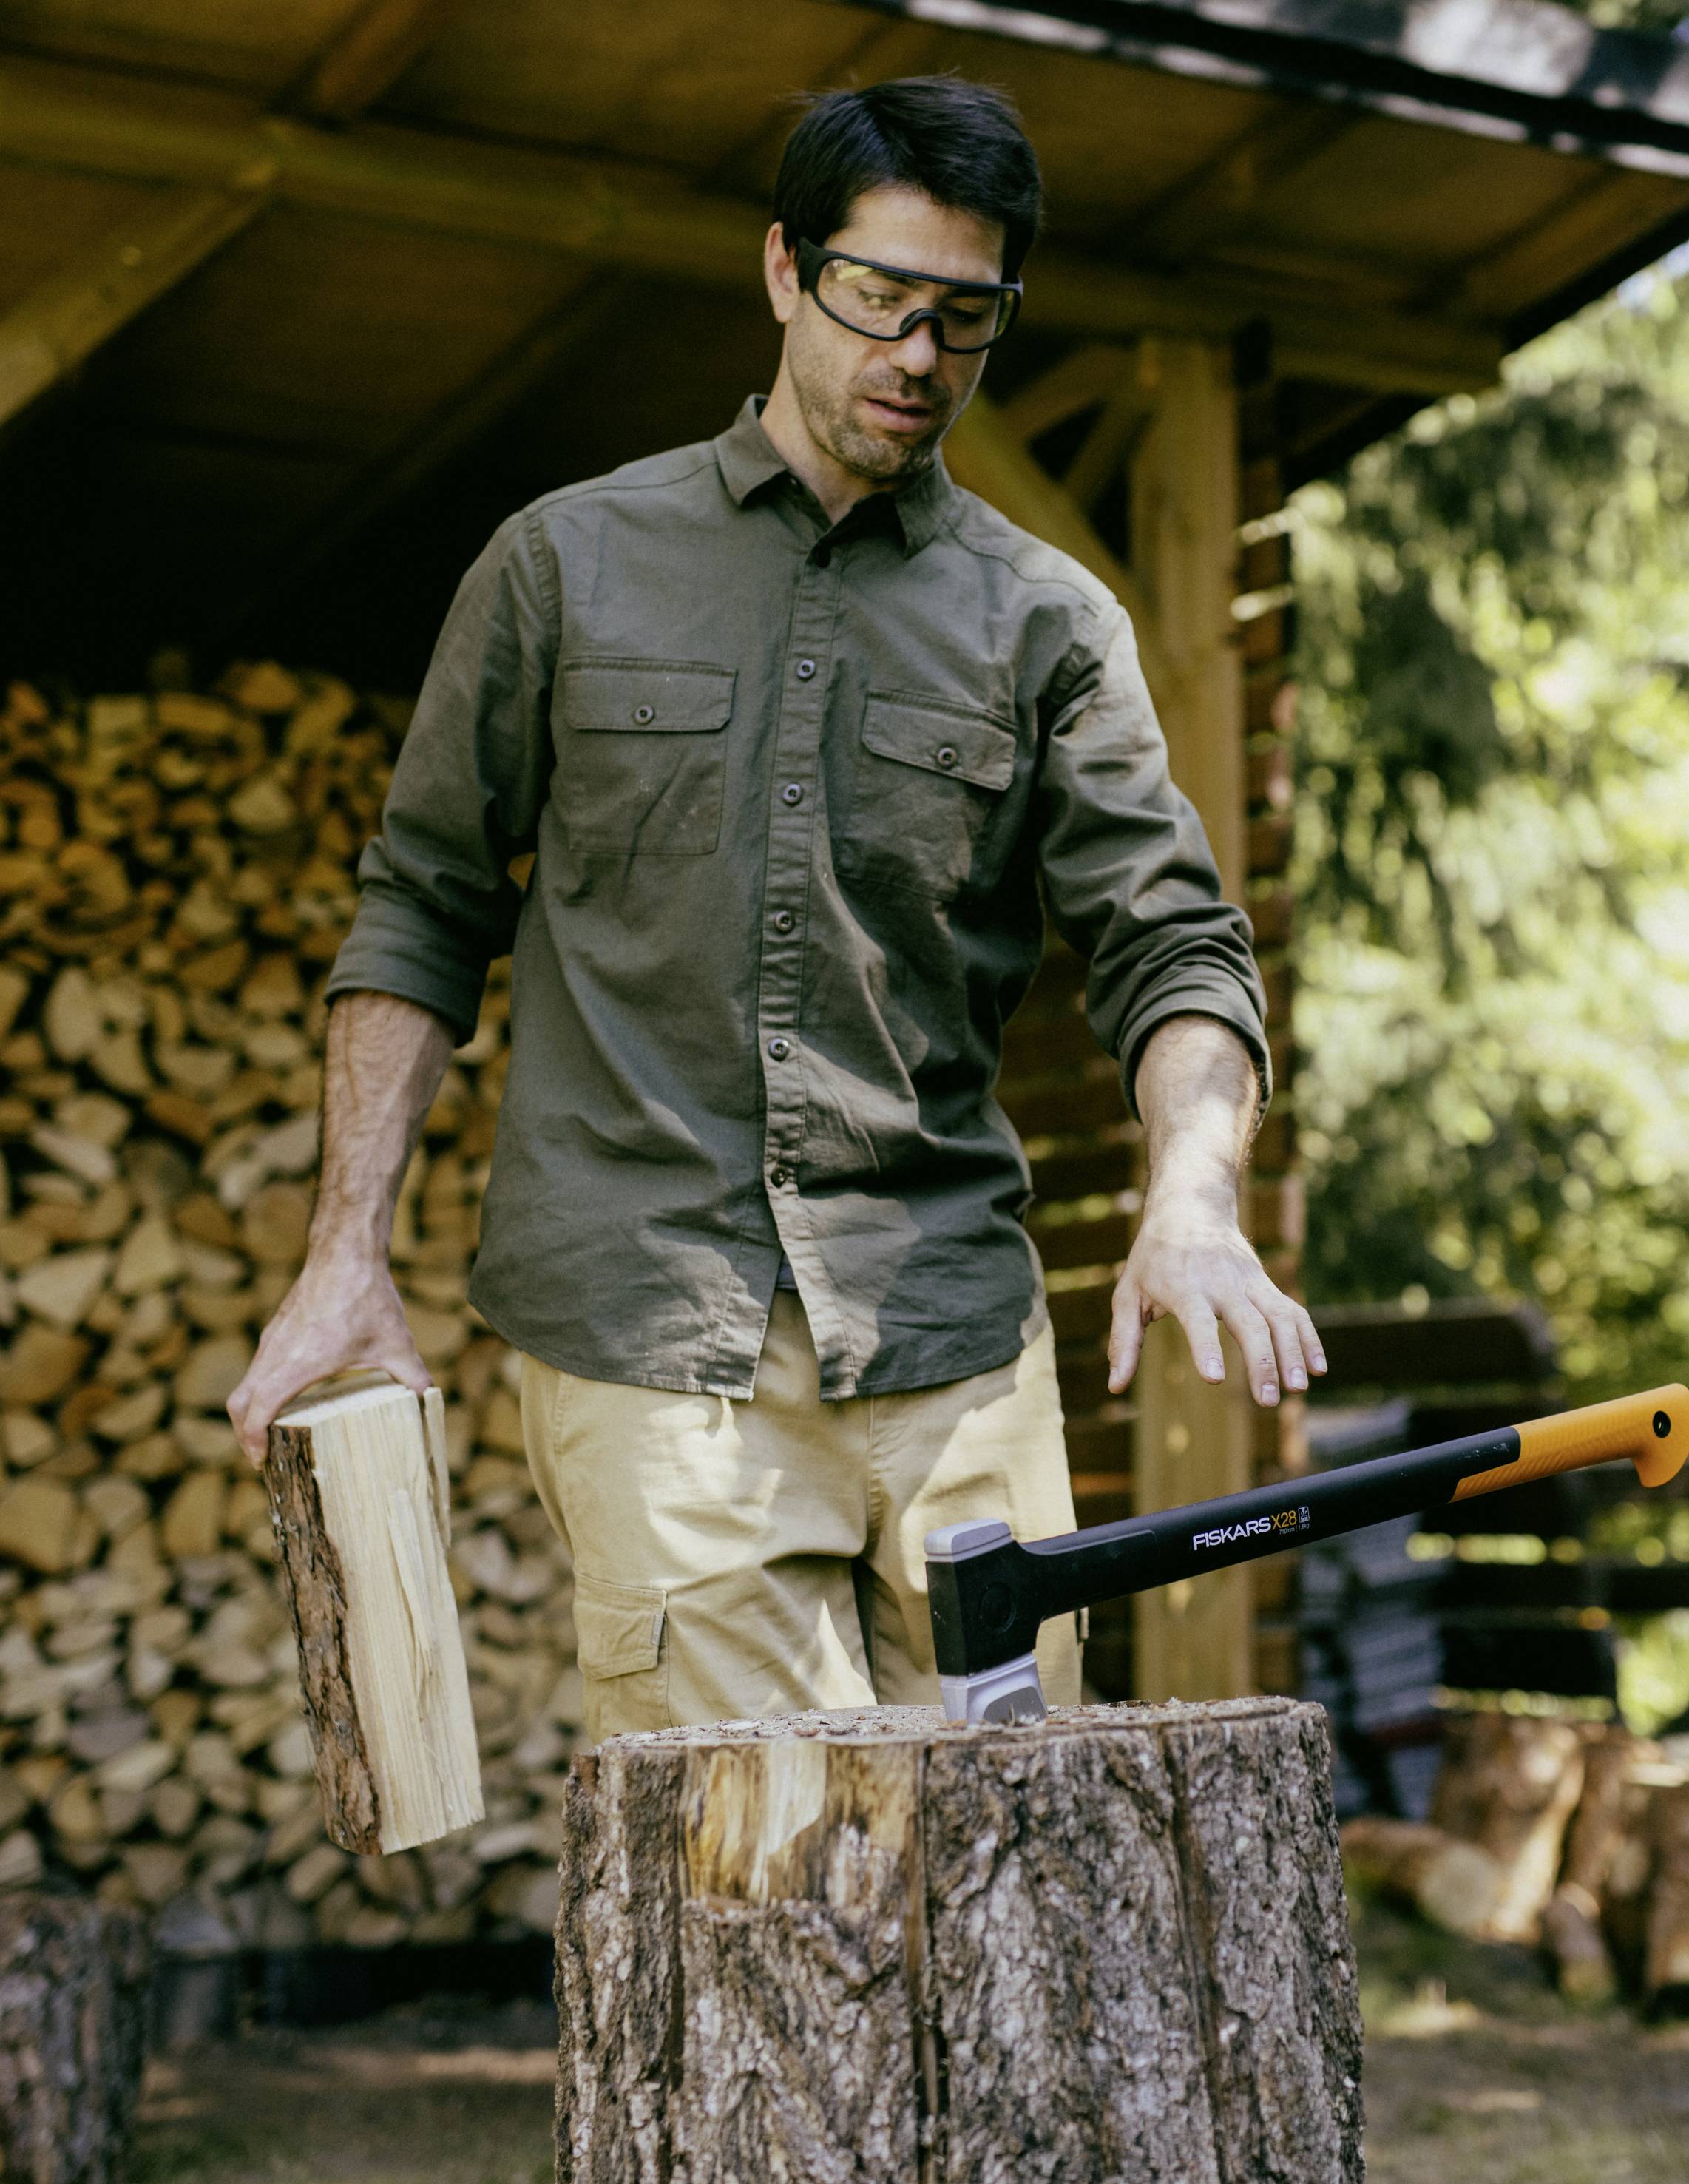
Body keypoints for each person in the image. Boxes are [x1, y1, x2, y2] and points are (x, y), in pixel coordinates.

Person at [227, 75, 1322, 1737]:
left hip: (954, 1335)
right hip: (655, 1329)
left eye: (967, 319)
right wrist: (340, 1260)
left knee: (1026, 1878)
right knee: (774, 1896)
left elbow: (1172, 940)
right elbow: (423, 911)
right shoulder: (563, 567)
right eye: (879, 299)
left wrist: (1191, 1196)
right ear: (784, 272)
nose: (916, 357)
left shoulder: (1050, 624)